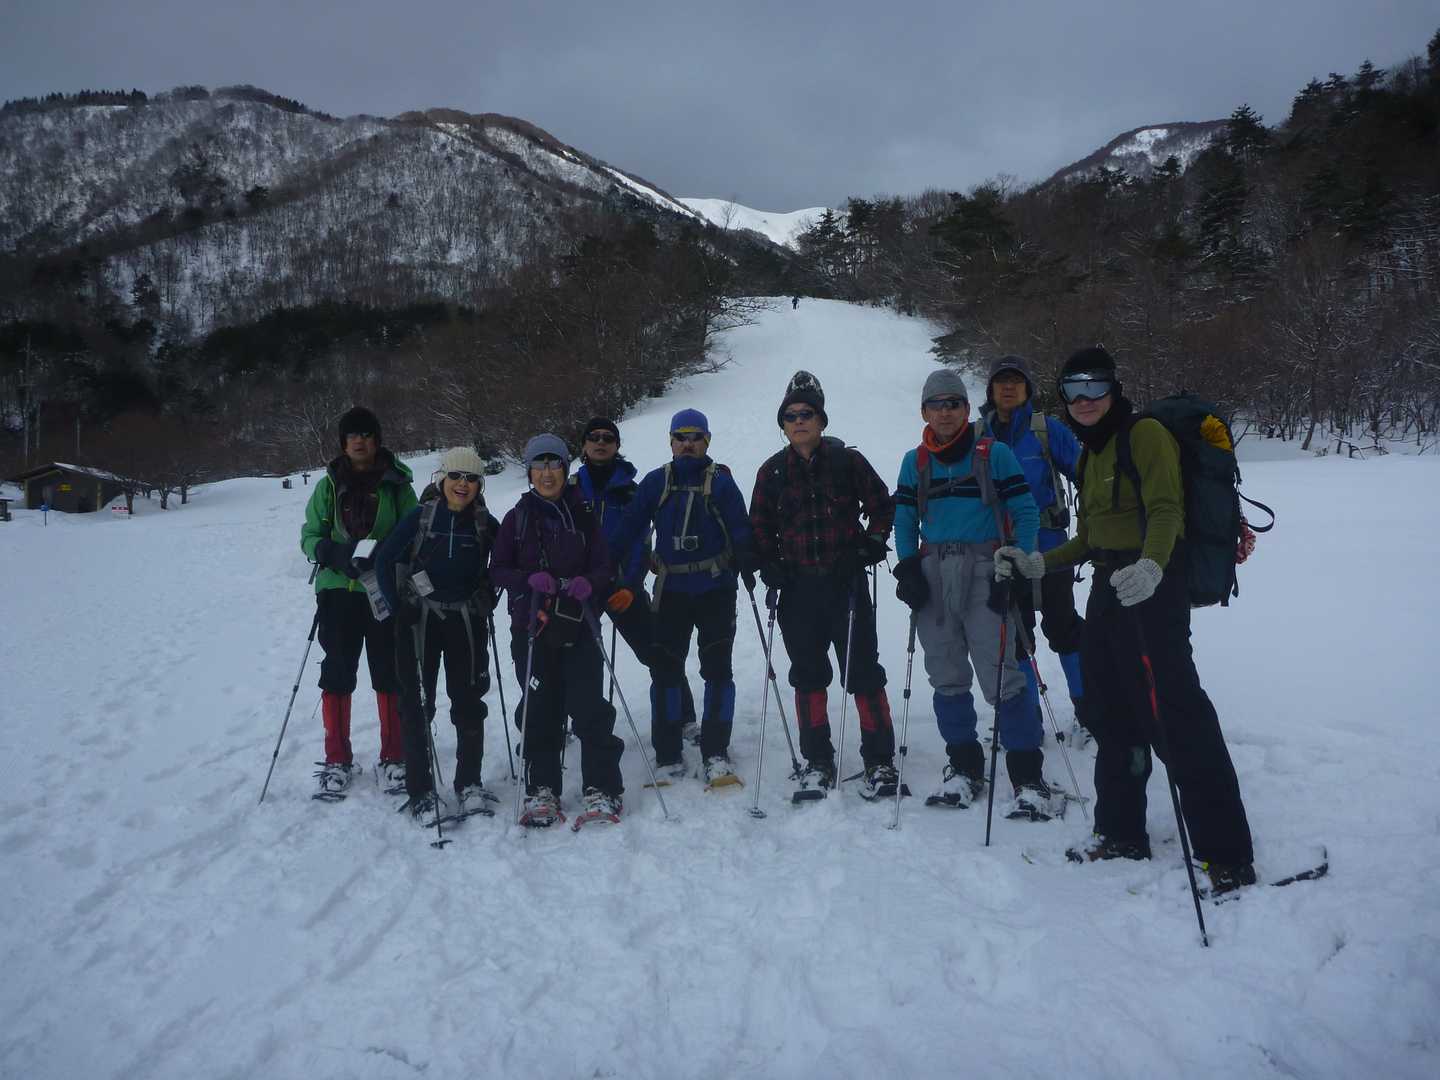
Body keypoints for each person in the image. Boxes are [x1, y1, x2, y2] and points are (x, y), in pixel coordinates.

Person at [996, 347, 1256, 890]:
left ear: (1114, 389)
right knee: (1110, 711)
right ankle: (1120, 832)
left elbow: (1166, 510)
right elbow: (1091, 537)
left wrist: (1153, 567)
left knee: (1175, 712)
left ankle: (1226, 854)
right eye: (1073, 390)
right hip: (1109, 588)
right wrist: (1040, 562)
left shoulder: (1145, 436)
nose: (1084, 399)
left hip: (1153, 588)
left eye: (1095, 386)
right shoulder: (1093, 454)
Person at [891, 370, 1054, 820]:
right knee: (945, 673)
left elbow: (1025, 510)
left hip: (987, 568)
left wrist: (1017, 560)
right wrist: (908, 567)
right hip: (933, 572)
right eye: (936, 404)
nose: (945, 412)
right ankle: (964, 767)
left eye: (953, 403)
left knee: (1002, 674)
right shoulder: (914, 461)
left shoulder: (994, 453)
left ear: (966, 409)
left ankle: (1028, 777)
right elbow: (904, 519)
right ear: (924, 412)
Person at [748, 372, 901, 798]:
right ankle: (817, 760)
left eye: (807, 414)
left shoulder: (847, 462)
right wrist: (768, 564)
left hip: (845, 583)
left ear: (821, 420)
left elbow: (883, 506)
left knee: (863, 670)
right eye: (791, 415)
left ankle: (879, 760)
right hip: (798, 590)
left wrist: (870, 545)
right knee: (808, 674)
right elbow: (758, 525)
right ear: (783, 424)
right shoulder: (771, 471)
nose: (799, 421)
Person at [610, 409, 755, 785]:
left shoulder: (721, 483)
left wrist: (751, 567)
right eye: (680, 437)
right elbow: (630, 530)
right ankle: (668, 754)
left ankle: (716, 753)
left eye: (695, 437)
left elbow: (740, 529)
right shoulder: (656, 482)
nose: (687, 444)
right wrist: (616, 574)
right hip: (671, 590)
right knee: (666, 670)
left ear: (707, 441)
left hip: (715, 589)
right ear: (671, 441)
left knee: (717, 669)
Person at [490, 434, 624, 827]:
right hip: (531, 628)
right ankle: (542, 789)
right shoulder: (517, 518)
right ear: (529, 471)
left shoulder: (583, 515)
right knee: (539, 710)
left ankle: (602, 788)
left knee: (589, 708)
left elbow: (605, 566)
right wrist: (528, 579)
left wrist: (590, 583)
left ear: (565, 469)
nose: (547, 473)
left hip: (578, 625)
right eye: (539, 465)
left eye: (554, 464)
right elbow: (497, 569)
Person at [373, 447, 499, 820]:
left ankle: (469, 783)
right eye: (456, 476)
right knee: (416, 705)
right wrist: (398, 607)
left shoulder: (485, 523)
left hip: (466, 622)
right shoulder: (421, 517)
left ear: (479, 484)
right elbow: (384, 560)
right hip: (419, 621)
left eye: (471, 478)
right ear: (442, 478)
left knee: (469, 702)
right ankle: (421, 791)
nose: (463, 484)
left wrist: (490, 592)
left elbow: (507, 563)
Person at [299, 406, 418, 799]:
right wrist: (332, 553)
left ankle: (394, 756)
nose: (359, 441)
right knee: (337, 671)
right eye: (352, 435)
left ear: (377, 440)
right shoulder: (328, 486)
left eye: (366, 434)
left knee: (389, 670)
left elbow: (414, 531)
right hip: (338, 590)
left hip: (383, 589)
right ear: (343, 443)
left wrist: (383, 555)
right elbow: (309, 536)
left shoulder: (398, 484)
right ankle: (337, 758)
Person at [975, 355, 1090, 737]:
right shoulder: (978, 436)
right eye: (1001, 381)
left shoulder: (1045, 430)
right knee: (1015, 636)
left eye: (1016, 381)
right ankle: (1028, 719)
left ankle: (1089, 711)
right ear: (991, 389)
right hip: (1001, 553)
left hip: (1050, 548)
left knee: (1064, 629)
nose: (1008, 387)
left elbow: (1087, 476)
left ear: (1028, 388)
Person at [570, 418, 697, 734]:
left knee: (658, 650)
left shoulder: (631, 490)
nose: (601, 442)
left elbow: (643, 541)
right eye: (594, 437)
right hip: (580, 588)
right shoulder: (569, 489)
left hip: (620, 585)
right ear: (584, 444)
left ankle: (682, 717)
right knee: (570, 656)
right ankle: (563, 721)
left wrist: (630, 584)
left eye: (608, 438)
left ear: (617, 445)